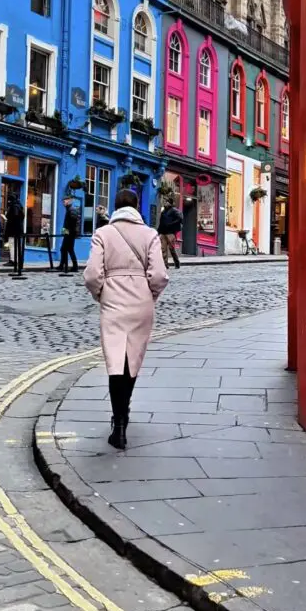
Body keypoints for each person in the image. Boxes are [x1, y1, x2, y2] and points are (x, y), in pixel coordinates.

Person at [84, 189, 169, 450]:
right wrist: (148, 296)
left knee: (115, 361)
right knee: (132, 359)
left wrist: (102, 293)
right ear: (136, 207)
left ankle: (118, 424)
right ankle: (125, 413)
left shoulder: (103, 233)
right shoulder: (150, 234)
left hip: (113, 300)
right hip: (141, 302)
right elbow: (159, 276)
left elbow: (91, 275)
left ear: (116, 206)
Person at [157, 197, 183, 269]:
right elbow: (161, 222)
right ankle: (165, 265)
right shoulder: (163, 211)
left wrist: (171, 224)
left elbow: (180, 219)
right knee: (163, 250)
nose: (165, 203)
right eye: (165, 202)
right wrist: (158, 231)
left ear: (170, 203)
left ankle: (177, 263)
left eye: (167, 201)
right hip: (163, 232)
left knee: (172, 249)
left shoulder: (174, 210)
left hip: (170, 233)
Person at [58, 197, 79, 274]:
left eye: (65, 201)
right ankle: (64, 266)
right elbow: (67, 223)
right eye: (63, 201)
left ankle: (72, 266)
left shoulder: (72, 210)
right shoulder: (69, 209)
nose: (63, 202)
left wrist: (67, 233)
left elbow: (72, 224)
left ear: (70, 201)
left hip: (70, 234)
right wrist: (64, 232)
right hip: (68, 233)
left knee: (65, 249)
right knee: (67, 249)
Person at [3, 193, 25, 266]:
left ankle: (13, 260)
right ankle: (18, 260)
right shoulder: (20, 206)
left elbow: (14, 216)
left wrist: (7, 218)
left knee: (12, 245)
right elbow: (21, 217)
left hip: (13, 229)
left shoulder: (13, 206)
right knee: (17, 245)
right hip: (18, 229)